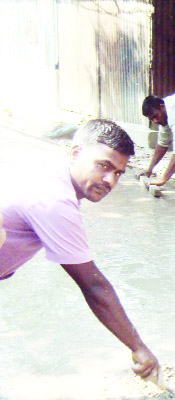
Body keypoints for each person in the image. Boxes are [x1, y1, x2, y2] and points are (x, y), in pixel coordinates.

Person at [0, 119, 159, 378]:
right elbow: (93, 285)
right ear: (75, 153)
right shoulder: (55, 200)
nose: (110, 181)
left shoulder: (52, 172)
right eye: (104, 166)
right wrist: (139, 348)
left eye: (118, 172)